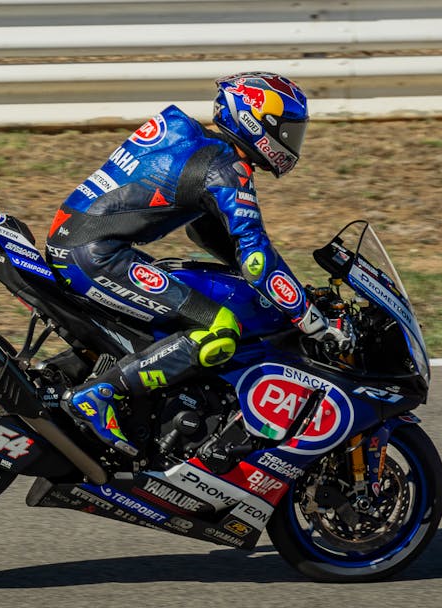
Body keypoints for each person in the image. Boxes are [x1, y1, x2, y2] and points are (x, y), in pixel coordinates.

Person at [46, 71, 350, 457]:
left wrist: (275, 285)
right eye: (288, 130)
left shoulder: (197, 144)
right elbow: (257, 260)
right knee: (220, 328)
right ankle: (101, 394)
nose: (291, 142)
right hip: (95, 256)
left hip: (80, 242)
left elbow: (206, 233)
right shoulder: (227, 168)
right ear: (257, 122)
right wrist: (308, 316)